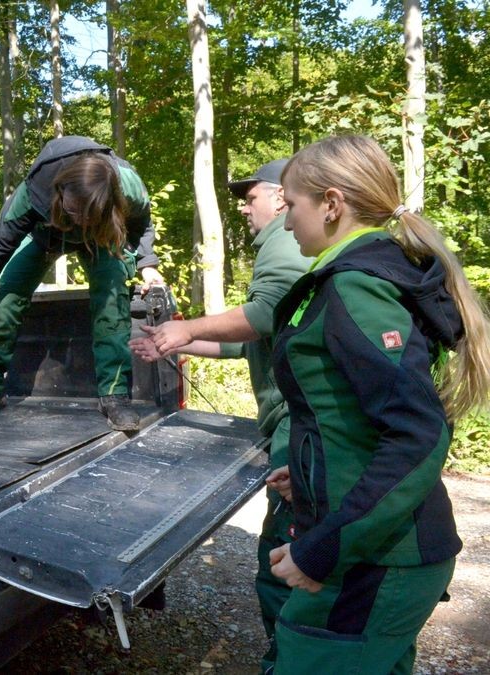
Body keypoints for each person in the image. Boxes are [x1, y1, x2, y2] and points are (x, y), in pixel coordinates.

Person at [267, 135, 490, 674]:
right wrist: (311, 474)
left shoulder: (357, 287)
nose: (285, 219)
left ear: (332, 204)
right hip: (373, 550)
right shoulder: (359, 277)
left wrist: (320, 549)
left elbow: (417, 434)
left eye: (291, 204)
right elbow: (359, 413)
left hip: (374, 561)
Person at [129, 158, 310, 672]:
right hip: (296, 423)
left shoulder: (282, 240)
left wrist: (185, 330)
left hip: (300, 424)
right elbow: (256, 342)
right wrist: (181, 344)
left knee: (285, 560)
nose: (244, 208)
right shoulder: (285, 242)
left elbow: (267, 314)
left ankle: (290, 660)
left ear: (280, 198)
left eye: (250, 197)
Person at [0, 137, 164, 430]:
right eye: (75, 211)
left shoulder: (126, 185)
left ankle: (114, 396)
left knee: (112, 297)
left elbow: (141, 223)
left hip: (101, 238)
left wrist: (147, 264)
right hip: (45, 236)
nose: (80, 221)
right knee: (8, 299)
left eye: (88, 214)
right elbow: (1, 245)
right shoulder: (32, 192)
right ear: (60, 190)